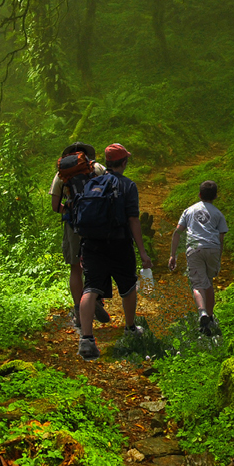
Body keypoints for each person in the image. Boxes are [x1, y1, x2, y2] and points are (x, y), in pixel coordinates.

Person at [76, 143, 152, 360]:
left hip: (91, 244)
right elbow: (133, 220)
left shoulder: (92, 182)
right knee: (127, 286)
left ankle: (86, 340)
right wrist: (143, 252)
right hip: (119, 243)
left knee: (91, 288)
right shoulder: (128, 186)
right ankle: (130, 328)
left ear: (107, 163)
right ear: (124, 163)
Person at [51, 142, 110, 328]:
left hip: (73, 225)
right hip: (98, 224)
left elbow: (54, 206)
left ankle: (79, 310)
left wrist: (70, 210)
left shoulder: (61, 174)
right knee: (98, 262)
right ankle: (96, 300)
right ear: (86, 155)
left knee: (75, 268)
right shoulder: (97, 168)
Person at [168, 180, 229, 335]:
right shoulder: (218, 214)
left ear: (199, 194)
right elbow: (221, 239)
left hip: (194, 249)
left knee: (197, 285)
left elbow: (177, 233)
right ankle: (210, 317)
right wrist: (219, 258)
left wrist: (172, 255)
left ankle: (202, 312)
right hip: (213, 249)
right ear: (215, 196)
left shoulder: (189, 210)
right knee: (208, 282)